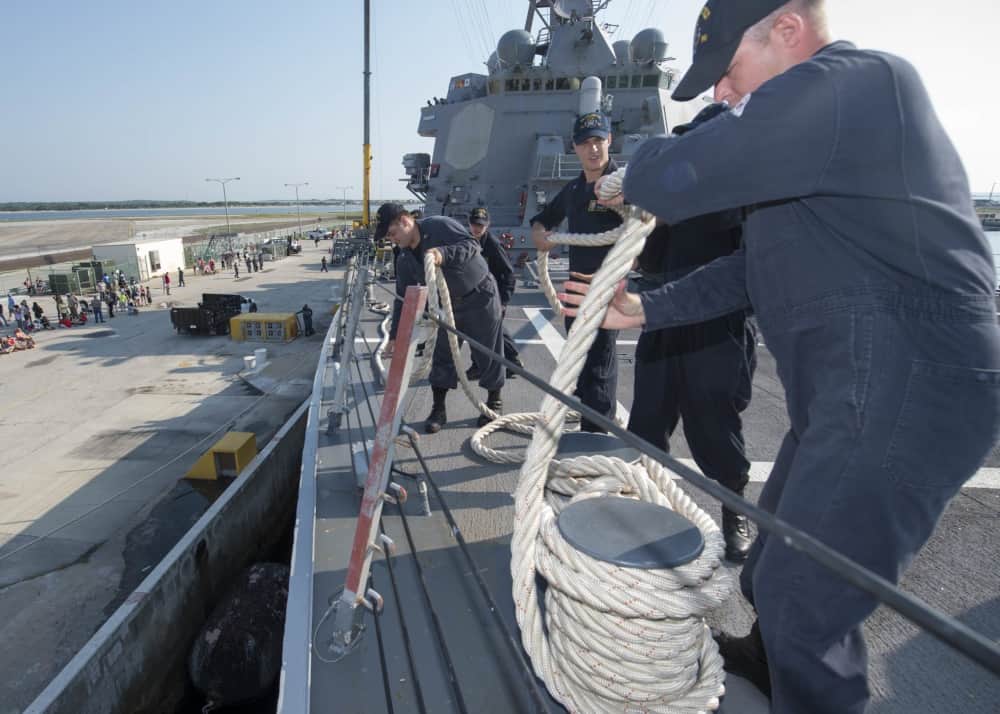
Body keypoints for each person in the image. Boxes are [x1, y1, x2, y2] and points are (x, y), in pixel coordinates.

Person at [559, 1, 1000, 712]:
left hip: (907, 387)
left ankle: (805, 680)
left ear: (788, 30)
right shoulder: (805, 155)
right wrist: (646, 307)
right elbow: (749, 269)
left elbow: (685, 172)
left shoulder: (858, 83)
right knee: (772, 565)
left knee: (806, 599)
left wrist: (630, 171)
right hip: (849, 388)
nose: (721, 93)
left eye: (727, 72)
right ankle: (769, 664)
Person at [627, 104, 757, 563]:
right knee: (646, 419)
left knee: (713, 424)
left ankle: (734, 508)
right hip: (662, 318)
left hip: (714, 324)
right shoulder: (668, 198)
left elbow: (751, 268)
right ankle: (645, 504)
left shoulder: (744, 195)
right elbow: (647, 257)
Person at [377, 202, 505, 433]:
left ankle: (494, 399)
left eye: (392, 233)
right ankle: (438, 409)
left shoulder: (439, 226)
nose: (392, 239)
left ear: (405, 222)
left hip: (479, 298)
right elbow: (402, 299)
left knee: (488, 352)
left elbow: (471, 245)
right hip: (446, 308)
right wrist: (395, 336)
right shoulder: (405, 260)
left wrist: (442, 254)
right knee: (441, 355)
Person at [531, 110, 622, 432]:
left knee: (599, 365)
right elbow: (544, 218)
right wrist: (541, 233)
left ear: (610, 140)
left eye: (598, 140)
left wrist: (637, 255)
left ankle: (596, 437)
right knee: (580, 361)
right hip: (576, 290)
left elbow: (648, 225)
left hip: (608, 289)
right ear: (575, 147)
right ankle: (590, 418)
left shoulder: (621, 186)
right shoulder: (573, 191)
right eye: (585, 143)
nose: (592, 149)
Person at [465, 207, 524, 378]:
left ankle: (513, 361)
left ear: (487, 225)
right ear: (469, 224)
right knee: (475, 330)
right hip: (476, 294)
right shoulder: (469, 241)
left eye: (480, 225)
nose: (477, 228)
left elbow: (509, 273)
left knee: (494, 330)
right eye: (474, 224)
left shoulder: (492, 244)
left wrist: (504, 301)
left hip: (493, 295)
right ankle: (478, 365)